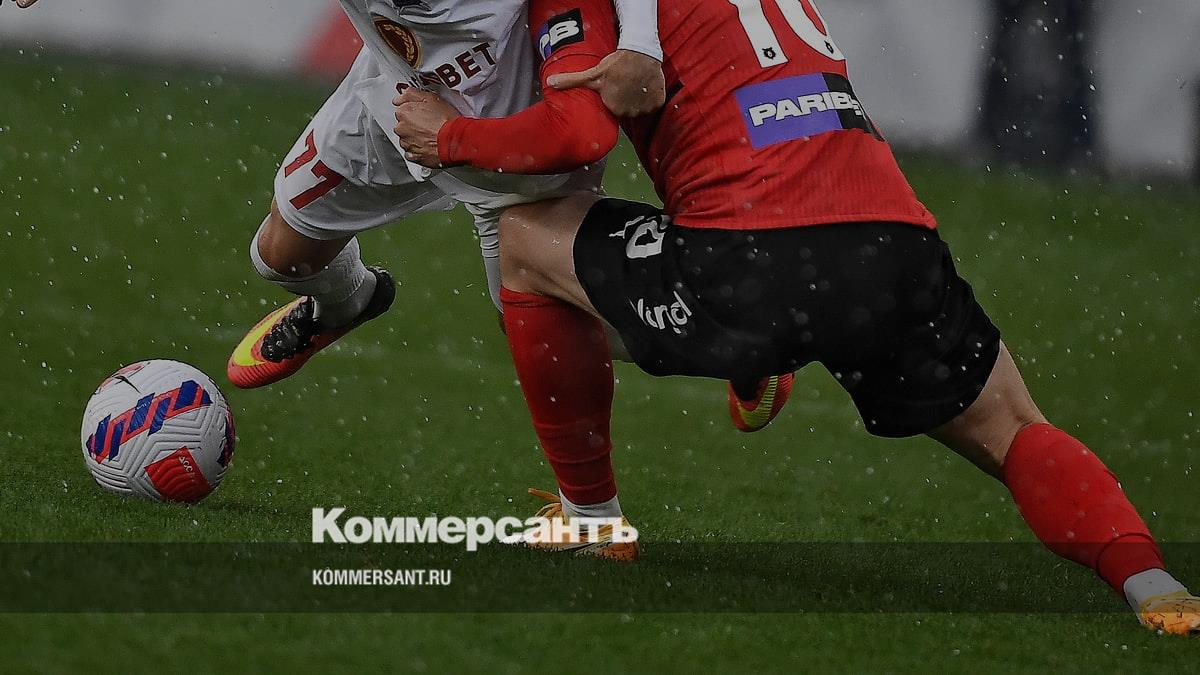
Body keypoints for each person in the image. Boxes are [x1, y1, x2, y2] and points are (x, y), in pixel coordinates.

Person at [392, 0, 1200, 634]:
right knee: (1014, 428)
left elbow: (573, 132)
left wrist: (450, 135)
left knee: (525, 244)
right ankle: (1153, 582)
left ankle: (591, 518)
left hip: (754, 256)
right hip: (892, 242)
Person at [223, 0, 668, 390]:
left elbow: (581, 133)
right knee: (280, 256)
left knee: (546, 326)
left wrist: (640, 42)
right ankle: (348, 302)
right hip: (399, 98)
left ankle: (705, 319)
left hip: (522, 155)